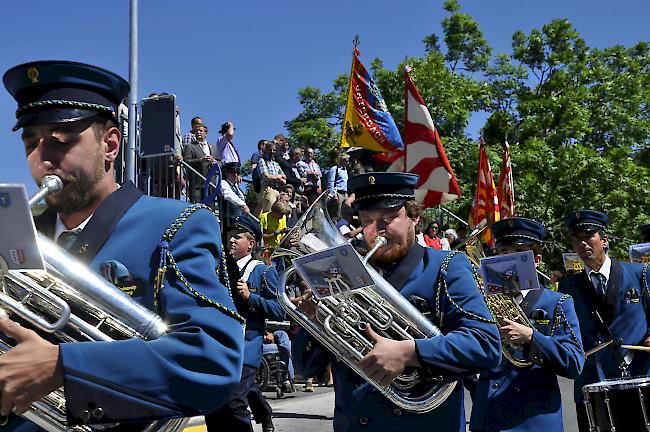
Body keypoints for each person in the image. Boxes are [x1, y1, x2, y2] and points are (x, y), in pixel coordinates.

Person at [2, 60, 244, 428]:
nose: (42, 158)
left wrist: (62, 366)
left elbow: (212, 358)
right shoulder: (12, 233)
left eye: (61, 140)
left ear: (110, 144)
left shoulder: (177, 224)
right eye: (30, 143)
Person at [293, 172, 501, 431]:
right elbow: (305, 368)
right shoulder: (342, 272)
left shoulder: (446, 267)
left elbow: (485, 345)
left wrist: (409, 352)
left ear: (414, 217)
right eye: (367, 220)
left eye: (388, 219)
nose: (377, 230)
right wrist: (314, 319)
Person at [470, 217, 584, 431]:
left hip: (533, 421)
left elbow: (574, 362)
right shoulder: (480, 302)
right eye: (503, 252)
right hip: (488, 419)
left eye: (518, 252)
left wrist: (531, 337)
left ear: (537, 260)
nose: (508, 259)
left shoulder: (557, 303)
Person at [558, 209, 650, 432]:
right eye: (577, 239)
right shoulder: (568, 287)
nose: (583, 243)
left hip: (640, 376)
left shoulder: (640, 273)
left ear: (604, 239)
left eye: (588, 236)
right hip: (594, 381)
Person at [205, 214, 284, 432]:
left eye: (237, 237)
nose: (230, 240)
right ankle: (263, 412)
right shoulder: (217, 270)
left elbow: (280, 310)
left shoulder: (262, 271)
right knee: (213, 404)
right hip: (220, 346)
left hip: (245, 347)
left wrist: (251, 298)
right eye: (229, 236)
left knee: (234, 403)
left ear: (251, 244)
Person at [182, 124, 218, 203]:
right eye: (196, 131)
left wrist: (215, 162)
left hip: (211, 183)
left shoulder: (214, 148)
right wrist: (200, 160)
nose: (198, 132)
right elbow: (186, 162)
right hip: (197, 184)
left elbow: (220, 162)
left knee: (210, 209)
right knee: (197, 208)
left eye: (200, 131)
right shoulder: (190, 146)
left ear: (206, 133)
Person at [256, 140, 286, 216]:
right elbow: (266, 175)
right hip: (268, 189)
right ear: (266, 149)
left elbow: (284, 178)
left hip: (278, 191)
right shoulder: (262, 161)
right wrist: (278, 177)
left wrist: (279, 178)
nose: (272, 151)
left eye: (274, 150)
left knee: (278, 214)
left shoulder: (276, 164)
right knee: (267, 213)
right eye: (270, 149)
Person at [220, 161, 250, 232]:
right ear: (226, 173)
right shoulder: (223, 183)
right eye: (232, 172)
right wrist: (243, 205)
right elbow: (229, 195)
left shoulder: (236, 187)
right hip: (228, 218)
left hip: (238, 219)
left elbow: (242, 198)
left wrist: (237, 184)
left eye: (238, 173)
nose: (235, 175)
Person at [326, 153, 350, 221]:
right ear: (343, 160)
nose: (348, 162)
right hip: (338, 194)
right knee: (336, 215)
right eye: (347, 160)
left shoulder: (345, 171)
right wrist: (334, 194)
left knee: (345, 213)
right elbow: (331, 182)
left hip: (345, 194)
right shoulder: (335, 169)